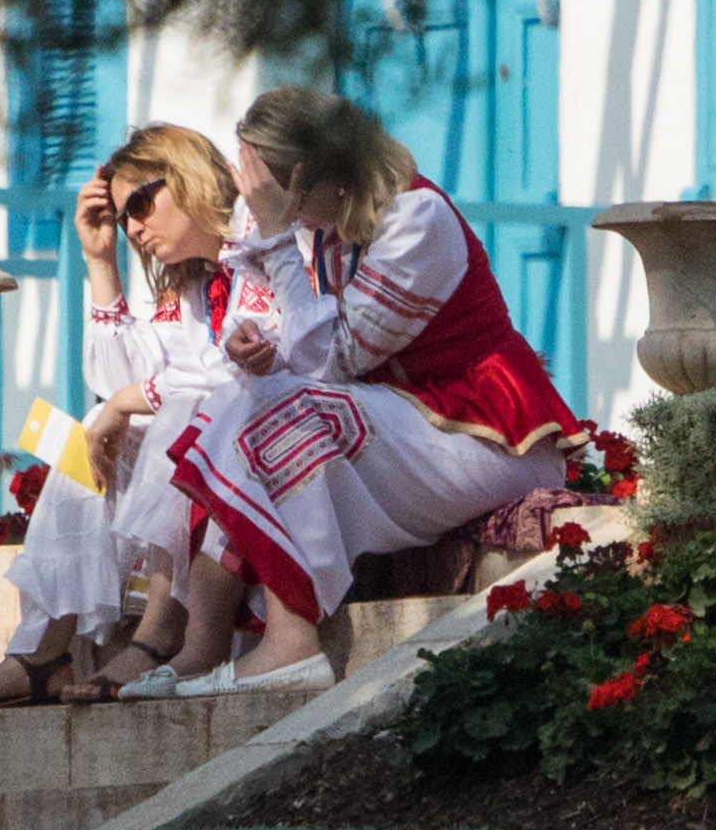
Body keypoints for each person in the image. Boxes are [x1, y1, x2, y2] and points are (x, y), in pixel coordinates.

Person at [144, 83, 584, 696]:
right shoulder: (332, 226)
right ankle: (204, 643)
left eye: (281, 194)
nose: (282, 212)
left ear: (318, 175)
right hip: (409, 423)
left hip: (490, 440)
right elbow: (305, 349)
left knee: (284, 413)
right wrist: (254, 348)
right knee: (237, 399)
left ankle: (292, 643)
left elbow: (331, 359)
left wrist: (274, 240)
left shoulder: (415, 219)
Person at [0, 126, 252, 711]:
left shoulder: (253, 253)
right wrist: (100, 260)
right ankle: (42, 652)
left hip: (272, 436)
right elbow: (116, 383)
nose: (133, 226)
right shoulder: (190, 282)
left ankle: (159, 636)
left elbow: (226, 379)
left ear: (187, 179)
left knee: (173, 415)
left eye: (141, 203)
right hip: (221, 440)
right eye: (122, 212)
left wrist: (121, 405)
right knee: (81, 438)